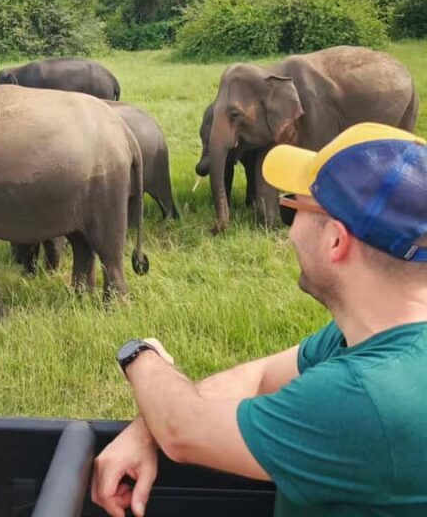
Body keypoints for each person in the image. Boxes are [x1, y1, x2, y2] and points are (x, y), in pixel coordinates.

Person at [91, 122, 427, 517]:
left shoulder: (364, 396)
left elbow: (184, 430)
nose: (289, 233)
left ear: (336, 240)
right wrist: (149, 427)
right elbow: (259, 377)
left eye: (294, 205)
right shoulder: (374, 335)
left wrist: (140, 355)